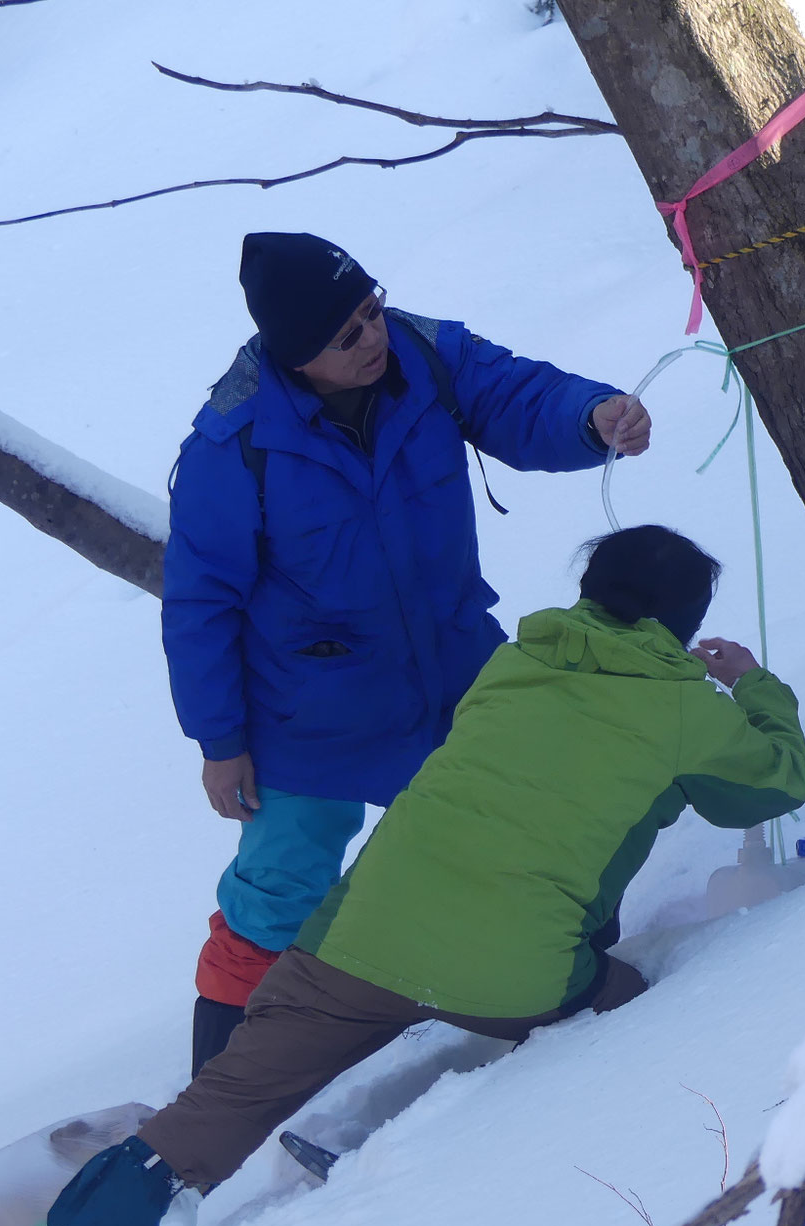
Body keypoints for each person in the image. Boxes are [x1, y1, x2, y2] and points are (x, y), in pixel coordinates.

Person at [0, 526, 805, 1226]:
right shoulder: (687, 712)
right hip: (515, 971)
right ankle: (376, 1135)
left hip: (355, 940)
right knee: (640, 990)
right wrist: (751, 684)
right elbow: (776, 783)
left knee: (214, 1106)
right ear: (685, 620)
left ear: (591, 589)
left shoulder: (513, 664)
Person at [167, 231, 653, 1077]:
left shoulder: (426, 356)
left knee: (538, 808)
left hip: (454, 664)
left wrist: (592, 417)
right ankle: (221, 1085)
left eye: (372, 309)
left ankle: (555, 978)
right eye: (346, 333)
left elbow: (517, 396)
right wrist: (220, 741)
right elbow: (200, 602)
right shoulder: (232, 444)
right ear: (296, 355)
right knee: (280, 885)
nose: (373, 336)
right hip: (311, 709)